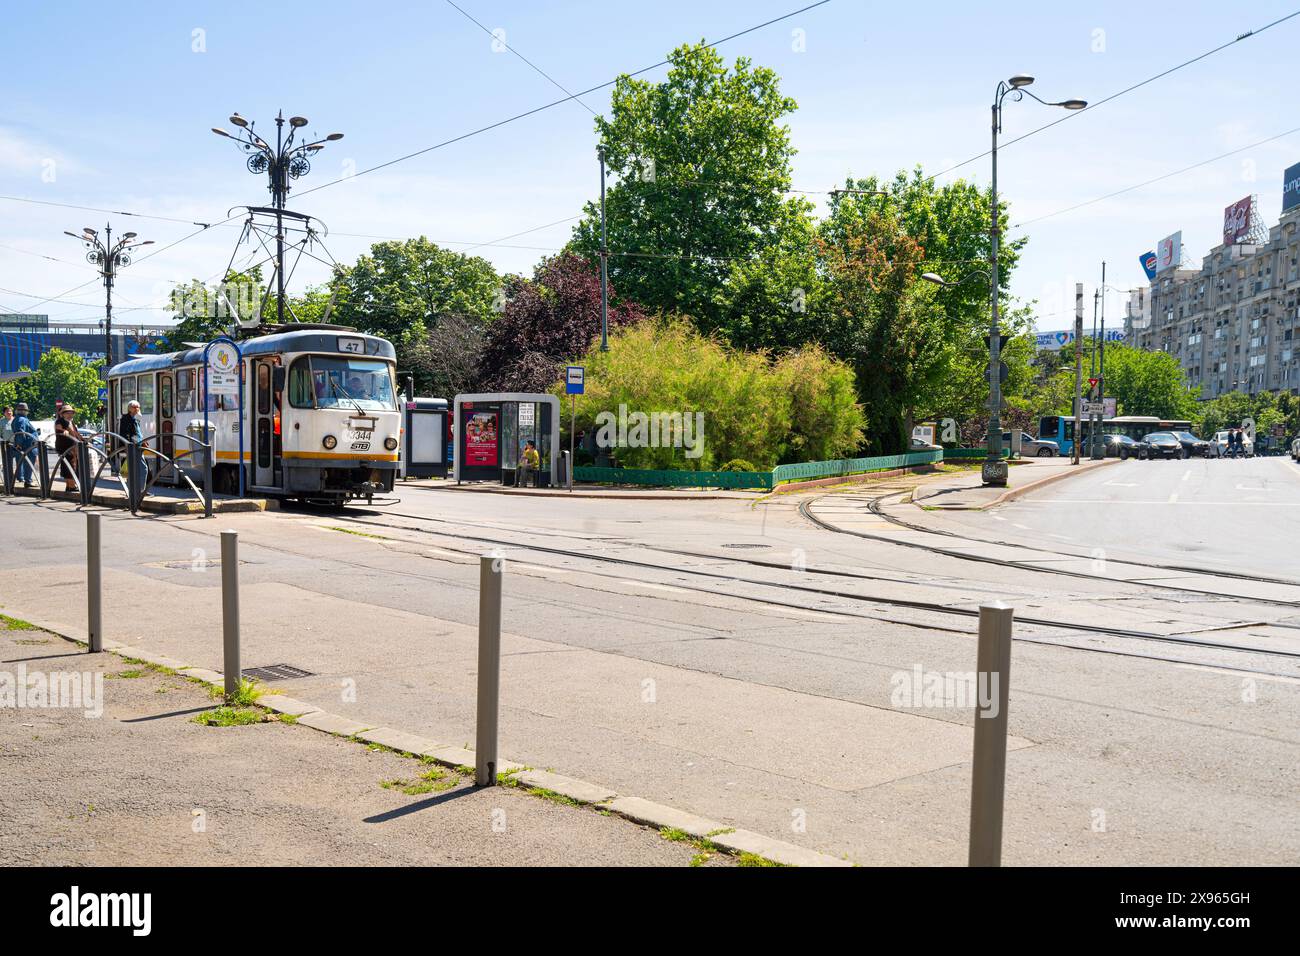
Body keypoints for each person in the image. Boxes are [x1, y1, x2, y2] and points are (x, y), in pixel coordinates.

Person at [10, 402, 40, 489]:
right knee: (29, 463)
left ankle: (28, 480)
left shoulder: (19, 419)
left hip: (27, 444)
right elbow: (20, 432)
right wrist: (19, 444)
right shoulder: (21, 419)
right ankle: (28, 481)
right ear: (24, 411)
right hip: (28, 445)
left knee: (28, 464)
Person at [54, 404, 82, 492]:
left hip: (73, 448)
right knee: (69, 467)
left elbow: (76, 434)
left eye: (71, 413)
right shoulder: (59, 421)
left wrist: (84, 441)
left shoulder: (71, 422)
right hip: (65, 448)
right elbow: (58, 429)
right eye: (67, 413)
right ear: (62, 414)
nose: (70, 415)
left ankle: (69, 486)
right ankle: (71, 486)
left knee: (73, 466)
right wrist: (64, 431)